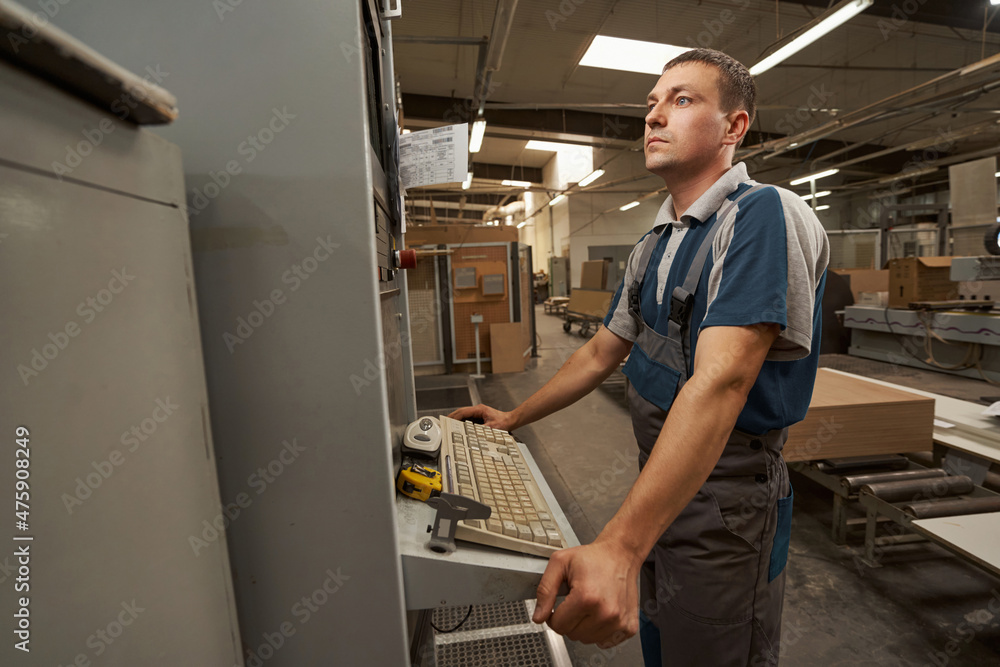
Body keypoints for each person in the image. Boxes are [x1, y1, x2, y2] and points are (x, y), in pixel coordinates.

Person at [450, 48, 829, 666]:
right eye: (652, 104)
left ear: (734, 127)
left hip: (728, 504)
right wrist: (513, 420)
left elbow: (722, 380)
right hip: (662, 481)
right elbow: (601, 351)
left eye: (682, 100)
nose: (654, 117)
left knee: (711, 652)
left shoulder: (762, 215)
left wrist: (620, 547)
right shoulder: (654, 245)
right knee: (663, 643)